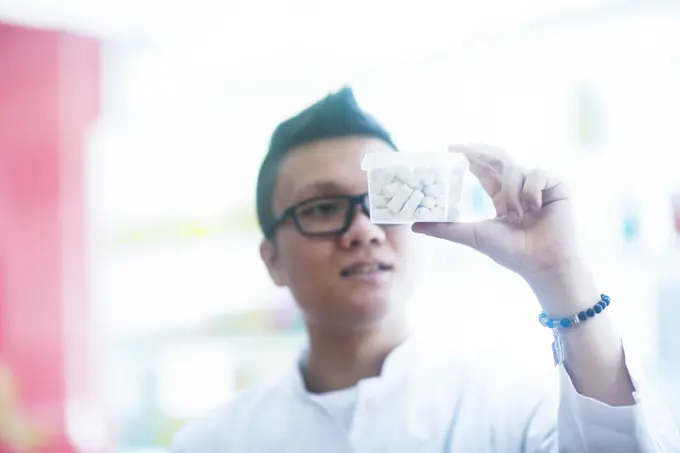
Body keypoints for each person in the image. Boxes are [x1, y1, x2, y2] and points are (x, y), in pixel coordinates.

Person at [170, 87, 680, 452]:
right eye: (321, 209)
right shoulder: (213, 442)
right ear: (271, 260)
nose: (364, 230)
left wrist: (561, 274)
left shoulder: (509, 405)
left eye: (383, 200)